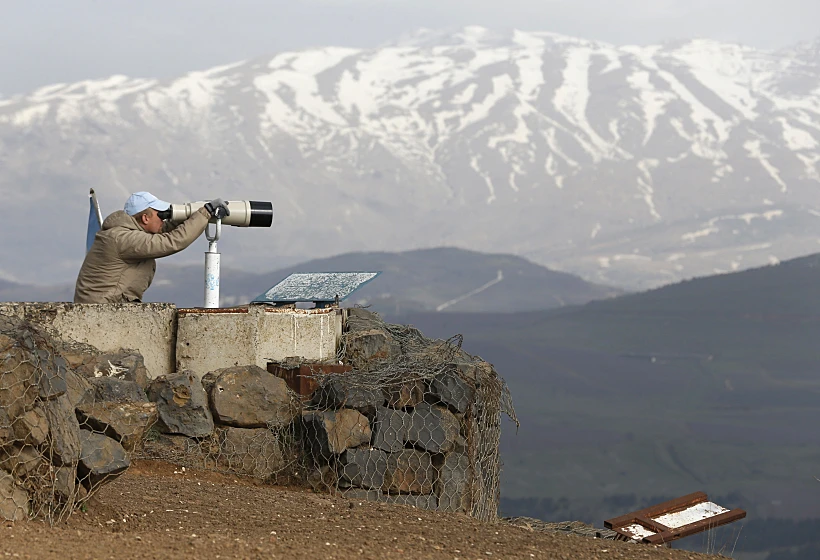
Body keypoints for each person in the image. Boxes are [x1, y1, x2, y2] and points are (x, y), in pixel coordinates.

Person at [74, 192, 230, 303]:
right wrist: (205, 213)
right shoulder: (121, 238)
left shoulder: (122, 233)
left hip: (105, 308)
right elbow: (171, 241)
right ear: (145, 218)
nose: (164, 218)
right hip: (99, 313)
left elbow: (164, 230)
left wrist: (188, 214)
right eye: (160, 215)